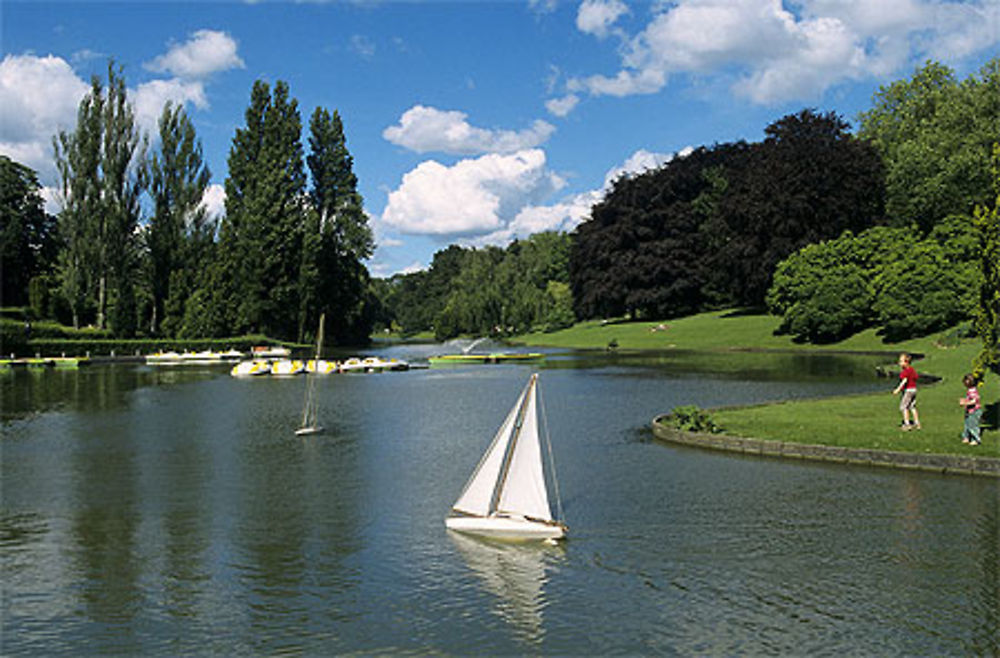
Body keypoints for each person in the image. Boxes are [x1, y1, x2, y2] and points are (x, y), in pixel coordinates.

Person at [892, 353, 921, 430]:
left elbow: (904, 380)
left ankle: (907, 424)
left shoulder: (905, 372)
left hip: (908, 390)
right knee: (912, 407)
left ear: (906, 362)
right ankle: (917, 423)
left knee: (904, 407)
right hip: (914, 390)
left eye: (901, 361)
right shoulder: (912, 370)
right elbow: (916, 377)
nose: (899, 363)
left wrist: (898, 389)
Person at [958, 374, 982, 446]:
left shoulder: (973, 391)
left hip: (974, 411)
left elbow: (974, 401)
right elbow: (970, 399)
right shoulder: (970, 390)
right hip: (969, 411)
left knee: (973, 426)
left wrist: (965, 403)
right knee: (967, 425)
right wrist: (964, 400)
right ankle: (966, 437)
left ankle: (976, 439)